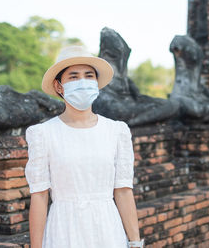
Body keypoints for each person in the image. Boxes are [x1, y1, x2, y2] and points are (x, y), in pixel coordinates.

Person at [24, 46, 144, 248]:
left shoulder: (116, 131)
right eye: (73, 76)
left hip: (108, 230)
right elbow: (39, 196)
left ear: (97, 83)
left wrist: (135, 243)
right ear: (59, 86)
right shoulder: (43, 134)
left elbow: (123, 191)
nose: (83, 82)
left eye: (89, 76)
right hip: (64, 230)